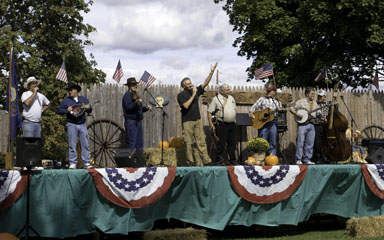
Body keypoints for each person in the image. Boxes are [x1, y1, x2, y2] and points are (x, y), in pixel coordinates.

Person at [177, 62, 218, 166]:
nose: (190, 84)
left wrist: (211, 72)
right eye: (188, 84)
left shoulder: (196, 91)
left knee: (201, 141)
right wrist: (194, 95)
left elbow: (205, 83)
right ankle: (190, 162)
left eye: (190, 83)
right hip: (187, 122)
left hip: (197, 120)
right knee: (188, 143)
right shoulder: (181, 95)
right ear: (183, 86)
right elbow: (186, 106)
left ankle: (207, 161)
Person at [57, 82, 92, 169]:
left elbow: (89, 111)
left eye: (71, 89)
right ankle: (73, 162)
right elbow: (59, 111)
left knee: (85, 144)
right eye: (69, 90)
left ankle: (87, 162)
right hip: (71, 124)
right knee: (72, 144)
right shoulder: (65, 101)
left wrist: (88, 107)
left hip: (82, 124)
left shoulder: (83, 99)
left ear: (76, 90)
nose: (70, 91)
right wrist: (67, 110)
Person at [207, 84, 237, 165]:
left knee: (232, 143)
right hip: (222, 124)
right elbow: (209, 112)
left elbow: (234, 109)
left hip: (232, 124)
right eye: (227, 89)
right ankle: (218, 160)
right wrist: (211, 124)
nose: (229, 90)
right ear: (222, 91)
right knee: (221, 143)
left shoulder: (231, 98)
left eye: (229, 89)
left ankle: (232, 160)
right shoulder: (216, 99)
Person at [249, 85, 282, 155]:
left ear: (274, 92)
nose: (268, 92)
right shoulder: (262, 99)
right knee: (262, 140)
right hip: (263, 123)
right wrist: (251, 113)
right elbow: (253, 108)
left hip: (273, 122)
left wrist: (280, 111)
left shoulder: (277, 101)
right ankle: (261, 157)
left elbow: (280, 113)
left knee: (273, 141)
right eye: (267, 91)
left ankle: (272, 157)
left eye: (270, 91)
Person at [122, 77, 151, 154]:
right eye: (133, 85)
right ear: (129, 86)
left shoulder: (135, 95)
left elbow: (139, 109)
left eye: (136, 84)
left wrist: (146, 108)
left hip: (138, 121)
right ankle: (131, 163)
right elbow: (128, 108)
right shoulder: (127, 95)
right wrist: (136, 102)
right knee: (132, 143)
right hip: (131, 122)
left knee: (139, 144)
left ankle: (138, 162)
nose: (135, 86)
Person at [289, 87, 318, 165]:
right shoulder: (301, 102)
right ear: (307, 94)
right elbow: (291, 107)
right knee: (300, 142)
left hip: (312, 124)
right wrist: (297, 114)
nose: (313, 95)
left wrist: (321, 116)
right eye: (312, 93)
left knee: (310, 143)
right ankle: (298, 159)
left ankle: (307, 159)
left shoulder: (315, 103)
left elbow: (318, 113)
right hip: (302, 125)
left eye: (314, 94)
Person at [311, 89, 329, 163]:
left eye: (321, 96)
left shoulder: (327, 105)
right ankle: (317, 157)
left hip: (325, 125)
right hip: (316, 124)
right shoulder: (314, 104)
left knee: (325, 141)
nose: (319, 98)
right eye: (318, 96)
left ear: (324, 97)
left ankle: (325, 156)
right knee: (317, 142)